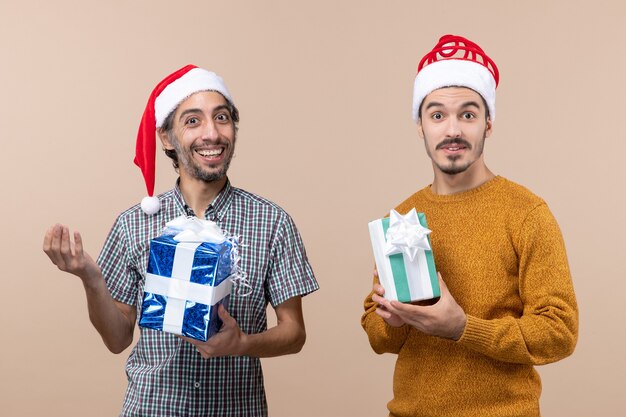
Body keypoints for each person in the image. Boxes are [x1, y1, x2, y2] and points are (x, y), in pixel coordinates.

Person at [43, 65, 319, 416]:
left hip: (236, 409)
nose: (211, 133)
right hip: (152, 408)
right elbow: (117, 339)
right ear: (166, 137)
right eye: (192, 121)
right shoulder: (134, 225)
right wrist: (90, 278)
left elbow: (294, 333)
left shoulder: (273, 222)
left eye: (221, 118)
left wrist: (242, 343)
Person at [361, 35, 578, 417]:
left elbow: (559, 332)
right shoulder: (402, 218)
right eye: (437, 115)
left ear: (488, 124)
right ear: (420, 125)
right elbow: (379, 338)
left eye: (468, 114)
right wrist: (394, 320)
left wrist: (462, 327)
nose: (452, 131)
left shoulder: (526, 213)